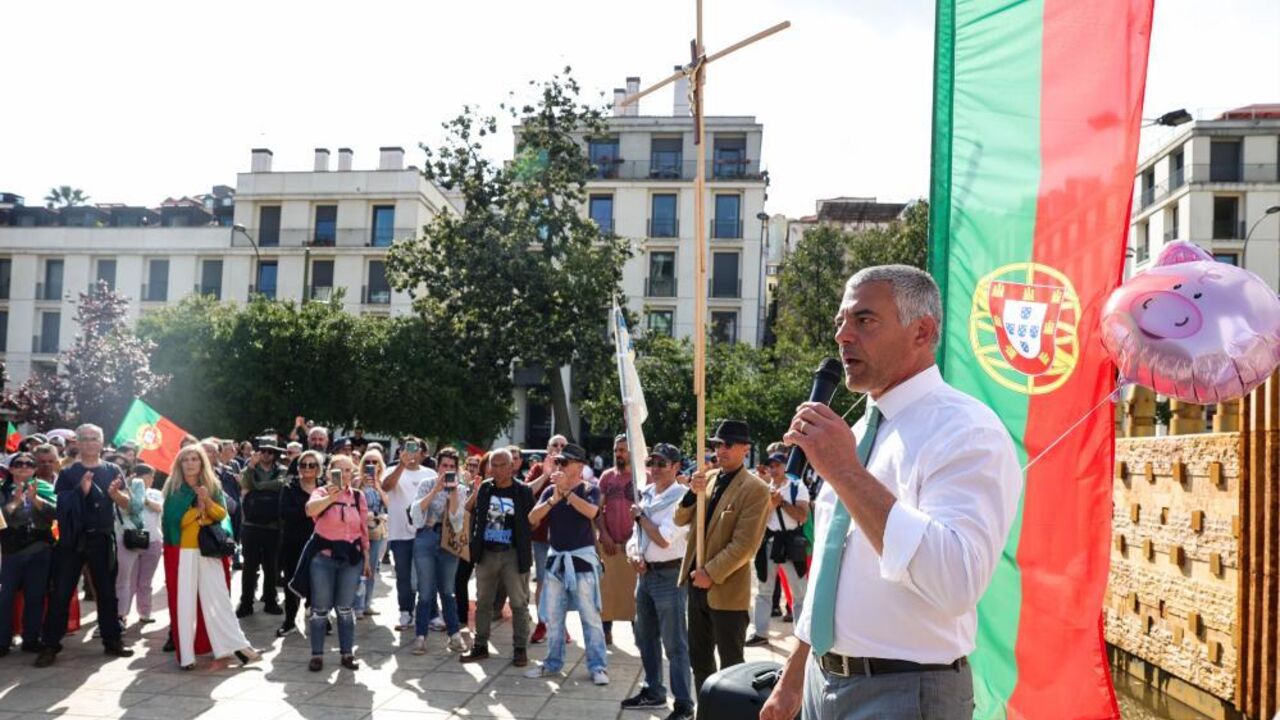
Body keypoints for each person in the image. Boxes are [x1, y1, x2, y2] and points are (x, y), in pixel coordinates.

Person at [758, 266, 1022, 720]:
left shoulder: (967, 430)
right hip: (822, 683)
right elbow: (831, 566)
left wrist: (845, 471)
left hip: (906, 692)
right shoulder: (860, 429)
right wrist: (794, 674)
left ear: (922, 331)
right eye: (840, 322)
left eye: (864, 320)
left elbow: (956, 581)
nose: (842, 336)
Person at [673, 419, 770, 694]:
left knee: (732, 668)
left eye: (728, 444)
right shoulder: (707, 478)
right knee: (700, 660)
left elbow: (745, 545)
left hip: (727, 589)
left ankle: (729, 712)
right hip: (696, 583)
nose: (721, 450)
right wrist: (691, 494)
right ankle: (705, 711)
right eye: (717, 444)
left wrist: (711, 573)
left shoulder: (755, 488)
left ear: (745, 449)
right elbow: (679, 519)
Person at [37, 424, 134, 667]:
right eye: (85, 439)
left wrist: (115, 495)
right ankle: (50, 644)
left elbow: (128, 504)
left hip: (101, 538)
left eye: (94, 438)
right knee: (61, 592)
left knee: (107, 592)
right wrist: (81, 491)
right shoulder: (69, 473)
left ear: (101, 442)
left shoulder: (113, 470)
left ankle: (112, 640)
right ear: (78, 443)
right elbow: (60, 506)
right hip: (72, 540)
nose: (90, 442)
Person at [160, 445, 259, 670]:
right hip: (183, 552)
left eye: (194, 459)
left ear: (202, 462)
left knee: (219, 601)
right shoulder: (174, 489)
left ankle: (237, 646)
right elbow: (175, 522)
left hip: (209, 550)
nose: (190, 463)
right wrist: (199, 510)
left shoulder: (212, 485)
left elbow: (221, 514)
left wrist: (207, 502)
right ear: (180, 464)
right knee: (184, 603)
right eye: (186, 459)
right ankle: (186, 656)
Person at [620, 443, 695, 720]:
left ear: (676, 467)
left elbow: (664, 538)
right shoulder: (647, 493)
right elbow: (635, 535)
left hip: (670, 575)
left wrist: (641, 517)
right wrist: (633, 553)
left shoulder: (684, 498)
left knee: (675, 644)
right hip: (646, 574)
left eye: (662, 463)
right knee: (644, 637)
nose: (655, 468)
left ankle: (684, 704)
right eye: (651, 463)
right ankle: (653, 691)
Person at [525, 443, 608, 685]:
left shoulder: (589, 488)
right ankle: (552, 663)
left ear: (579, 467)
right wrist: (553, 499)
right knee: (554, 617)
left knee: (590, 618)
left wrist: (567, 493)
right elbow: (532, 518)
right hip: (556, 562)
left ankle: (598, 667)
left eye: (565, 462)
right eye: (558, 462)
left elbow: (592, 512)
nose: (560, 465)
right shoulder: (550, 491)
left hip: (582, 562)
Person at [460, 449, 533, 665]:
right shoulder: (485, 488)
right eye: (494, 465)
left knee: (519, 603)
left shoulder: (523, 491)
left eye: (502, 465)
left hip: (512, 553)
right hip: (487, 553)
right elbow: (474, 515)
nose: (498, 470)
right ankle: (480, 645)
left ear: (512, 467)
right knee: (483, 602)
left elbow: (532, 521)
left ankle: (520, 649)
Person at [300, 453, 370, 672]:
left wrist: (367, 558)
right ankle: (317, 655)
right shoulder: (321, 492)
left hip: (351, 558)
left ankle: (347, 654)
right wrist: (331, 497)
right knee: (320, 608)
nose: (345, 474)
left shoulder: (358, 496)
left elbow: (364, 529)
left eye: (349, 470)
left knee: (345, 608)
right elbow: (310, 510)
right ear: (330, 473)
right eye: (340, 470)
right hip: (323, 557)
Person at [746, 451, 810, 647]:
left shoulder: (797, 487)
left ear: (784, 466)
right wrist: (771, 505)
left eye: (777, 465)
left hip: (791, 542)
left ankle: (803, 637)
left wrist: (781, 503)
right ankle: (760, 633)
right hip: (770, 542)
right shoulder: (764, 489)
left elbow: (802, 516)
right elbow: (758, 519)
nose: (773, 470)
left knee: (800, 592)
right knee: (764, 590)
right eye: (771, 466)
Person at [409, 448, 469, 655]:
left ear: (457, 469)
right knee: (425, 591)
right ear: (438, 466)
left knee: (447, 590)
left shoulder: (460, 489)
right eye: (444, 465)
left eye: (452, 466)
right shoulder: (427, 484)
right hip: (426, 536)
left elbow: (456, 521)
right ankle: (420, 636)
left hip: (448, 539)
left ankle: (454, 635)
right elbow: (416, 514)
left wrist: (452, 493)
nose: (447, 470)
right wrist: (435, 490)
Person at [0, 453, 57, 656]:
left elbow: (56, 513)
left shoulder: (44, 488)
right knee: (5, 598)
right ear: (11, 468)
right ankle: (2, 641)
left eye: (29, 464)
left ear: (34, 469)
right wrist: (14, 503)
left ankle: (31, 639)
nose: (24, 467)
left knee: (35, 596)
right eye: (19, 464)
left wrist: (36, 499)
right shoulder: (2, 490)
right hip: (10, 552)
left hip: (39, 550)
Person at [381, 436, 436, 631]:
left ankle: (432, 613)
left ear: (423, 453)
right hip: (400, 533)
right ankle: (406, 612)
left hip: (425, 533)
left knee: (427, 575)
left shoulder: (430, 473)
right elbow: (386, 487)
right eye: (407, 448)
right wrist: (401, 465)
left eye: (415, 448)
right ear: (400, 451)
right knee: (403, 575)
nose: (412, 452)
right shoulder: (392, 470)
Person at [596, 434, 640, 646]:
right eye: (616, 450)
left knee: (633, 594)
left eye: (622, 450)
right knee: (607, 592)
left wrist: (635, 539)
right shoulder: (607, 477)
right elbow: (597, 509)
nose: (618, 454)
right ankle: (606, 632)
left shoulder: (644, 477)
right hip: (610, 545)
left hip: (634, 546)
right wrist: (603, 534)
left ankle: (639, 636)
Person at [238, 440, 287, 618]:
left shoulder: (282, 470)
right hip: (251, 525)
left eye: (270, 451)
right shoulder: (249, 469)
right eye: (263, 451)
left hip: (273, 527)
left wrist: (257, 486)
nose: (266, 454)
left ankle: (270, 601)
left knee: (271, 566)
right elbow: (244, 484)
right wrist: (251, 468)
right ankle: (246, 603)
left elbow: (280, 484)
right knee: (249, 567)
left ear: (275, 454)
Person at [277, 449, 321, 637]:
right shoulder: (289, 487)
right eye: (303, 465)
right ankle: (289, 621)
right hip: (293, 541)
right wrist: (310, 510)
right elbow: (284, 513)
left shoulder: (325, 488)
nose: (307, 468)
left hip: (320, 541)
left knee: (319, 582)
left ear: (319, 468)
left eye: (312, 465)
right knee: (291, 582)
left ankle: (320, 618)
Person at [526, 435, 565, 645]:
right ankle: (542, 623)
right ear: (548, 448)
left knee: (562, 582)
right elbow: (526, 492)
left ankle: (560, 625)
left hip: (564, 536)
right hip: (541, 535)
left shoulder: (572, 469)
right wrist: (545, 475)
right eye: (554, 445)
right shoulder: (539, 468)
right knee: (543, 579)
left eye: (562, 445)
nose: (558, 448)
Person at [114, 464, 164, 626]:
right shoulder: (124, 492)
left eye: (152, 476)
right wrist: (132, 493)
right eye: (148, 476)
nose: (151, 479)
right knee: (129, 581)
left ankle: (145, 612)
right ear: (136, 476)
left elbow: (159, 508)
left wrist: (143, 499)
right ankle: (122, 614)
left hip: (153, 541)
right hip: (131, 541)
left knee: (146, 582)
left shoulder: (156, 493)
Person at [355, 450, 390, 616]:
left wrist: (378, 487)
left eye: (375, 462)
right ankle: (357, 605)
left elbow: (388, 504)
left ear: (380, 466)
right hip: (357, 529)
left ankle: (366, 604)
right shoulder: (357, 481)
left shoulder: (381, 483)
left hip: (376, 530)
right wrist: (360, 484)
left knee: (372, 568)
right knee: (358, 567)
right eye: (367, 462)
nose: (371, 465)